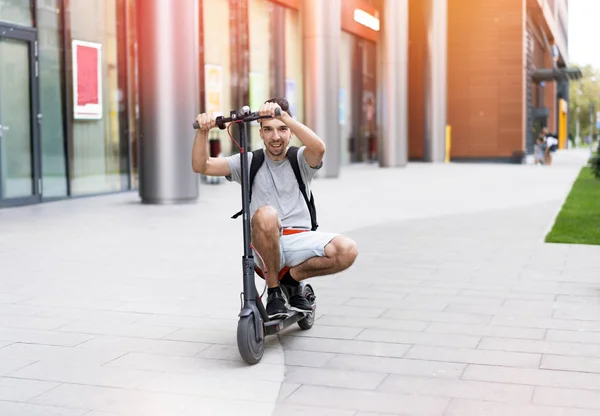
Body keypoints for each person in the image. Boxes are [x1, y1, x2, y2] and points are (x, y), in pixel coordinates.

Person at [192, 98, 358, 319]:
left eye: (282, 129)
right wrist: (203, 131)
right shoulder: (249, 161)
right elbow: (201, 166)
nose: (276, 136)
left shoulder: (300, 159)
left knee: (348, 249)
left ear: (290, 132)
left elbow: (319, 148)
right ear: (260, 133)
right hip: (265, 245)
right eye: (268, 130)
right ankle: (274, 292)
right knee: (266, 214)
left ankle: (290, 279)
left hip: (299, 242)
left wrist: (284, 116)